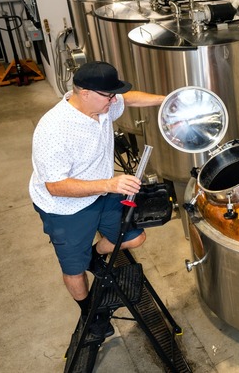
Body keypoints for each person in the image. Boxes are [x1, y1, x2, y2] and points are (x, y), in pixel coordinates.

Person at [29, 61, 165, 339]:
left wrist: (167, 100)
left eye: (113, 95)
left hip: (102, 193)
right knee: (75, 269)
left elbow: (130, 98)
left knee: (134, 238)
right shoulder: (54, 129)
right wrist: (110, 184)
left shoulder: (102, 105)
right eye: (108, 95)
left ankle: (93, 253)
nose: (114, 101)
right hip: (65, 208)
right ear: (84, 92)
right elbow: (55, 186)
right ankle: (88, 310)